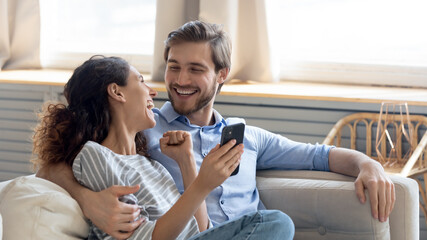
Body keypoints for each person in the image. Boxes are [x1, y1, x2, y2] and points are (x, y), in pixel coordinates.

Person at [37, 21, 395, 238]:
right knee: (276, 223)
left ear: (221, 75)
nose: (178, 81)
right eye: (173, 67)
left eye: (195, 69)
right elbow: (53, 167)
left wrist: (369, 165)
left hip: (231, 234)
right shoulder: (143, 128)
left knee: (270, 224)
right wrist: (88, 200)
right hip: (185, 235)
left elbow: (319, 156)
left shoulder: (247, 136)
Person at [32, 55, 294, 239]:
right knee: (273, 222)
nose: (152, 92)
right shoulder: (95, 156)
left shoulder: (152, 165)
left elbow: (202, 231)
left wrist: (187, 162)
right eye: (141, 81)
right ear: (117, 92)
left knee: (275, 222)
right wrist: (204, 184)